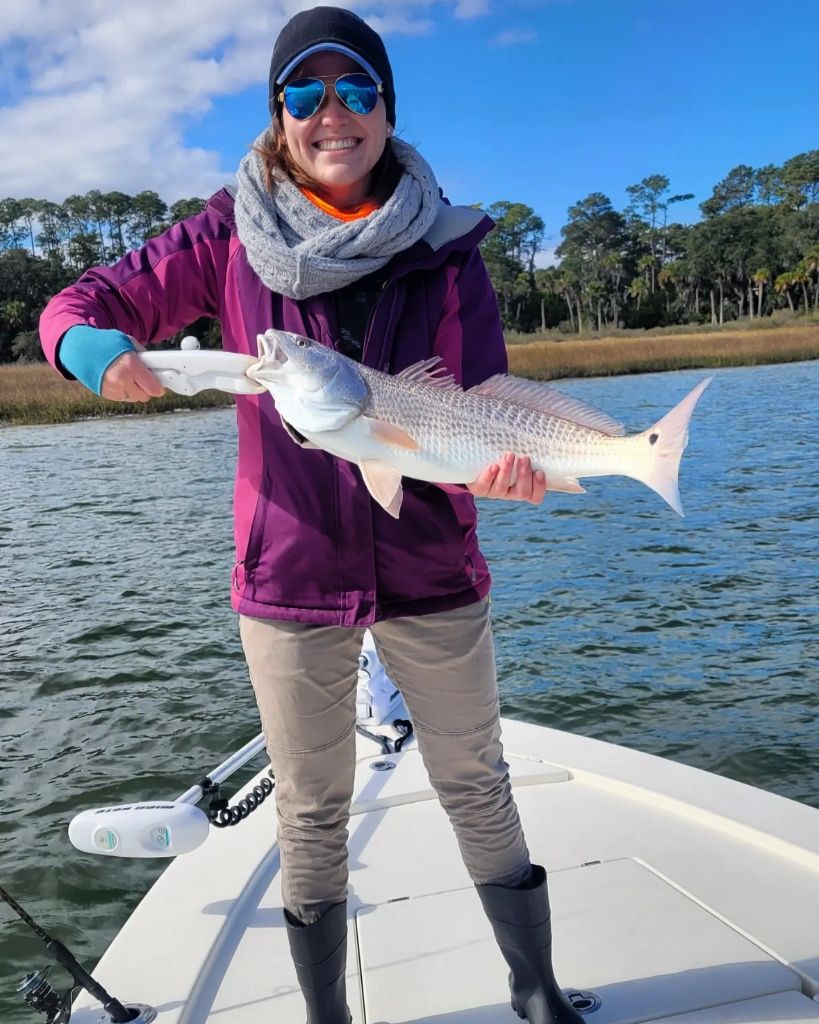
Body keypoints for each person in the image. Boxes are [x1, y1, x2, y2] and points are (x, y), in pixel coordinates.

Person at [39, 8, 583, 1023]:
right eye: (304, 93)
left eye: (357, 90)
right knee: (312, 806)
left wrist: (501, 472)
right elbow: (79, 303)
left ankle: (538, 987)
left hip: (432, 564)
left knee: (477, 778)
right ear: (279, 115)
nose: (332, 113)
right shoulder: (223, 237)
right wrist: (88, 351)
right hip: (288, 574)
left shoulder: (451, 246)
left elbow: (478, 400)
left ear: (387, 107)